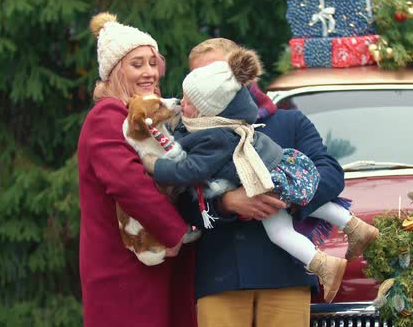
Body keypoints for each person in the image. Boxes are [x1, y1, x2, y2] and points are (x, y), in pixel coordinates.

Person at [141, 48, 379, 305]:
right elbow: (183, 204)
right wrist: (226, 203)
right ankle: (346, 234)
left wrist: (282, 200)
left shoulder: (289, 121)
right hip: (222, 280)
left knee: (290, 208)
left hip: (286, 277)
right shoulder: (190, 130)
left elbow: (331, 175)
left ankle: (342, 242)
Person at [77, 12, 196, 327]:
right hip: (123, 268)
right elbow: (129, 184)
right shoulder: (107, 116)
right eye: (137, 64)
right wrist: (176, 234)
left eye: (153, 63)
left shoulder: (147, 118)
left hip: (154, 261)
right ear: (115, 71)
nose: (149, 72)